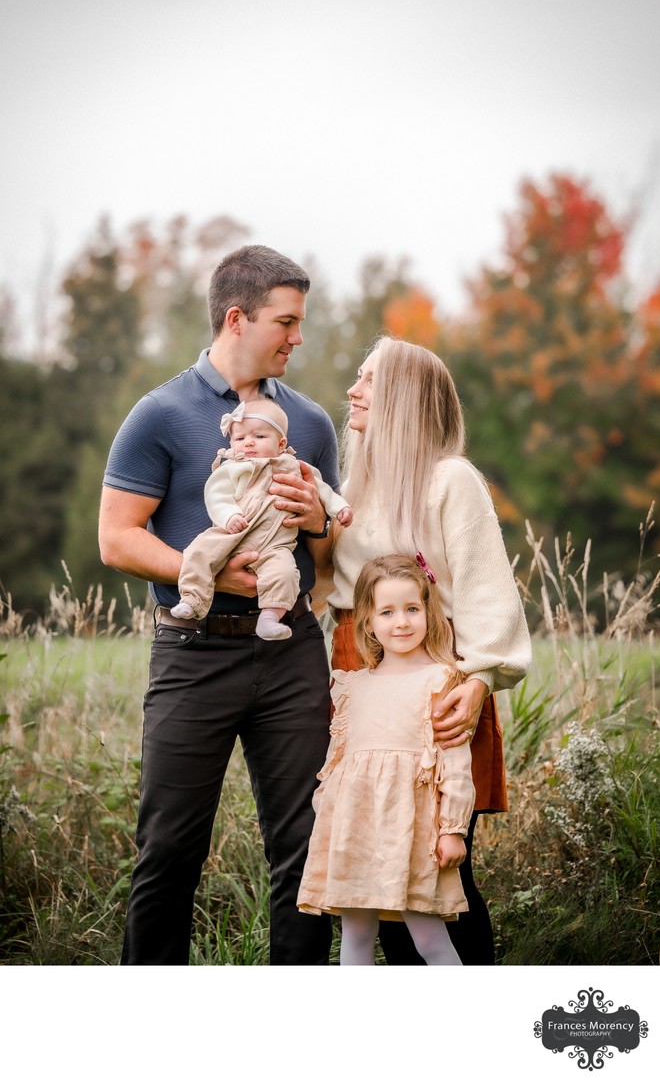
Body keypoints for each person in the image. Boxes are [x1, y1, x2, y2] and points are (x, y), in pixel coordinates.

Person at [98, 244, 342, 966]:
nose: (298, 337)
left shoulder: (312, 425)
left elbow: (324, 566)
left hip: (292, 650)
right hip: (193, 651)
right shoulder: (161, 413)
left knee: (304, 851)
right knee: (169, 848)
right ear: (237, 317)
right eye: (287, 322)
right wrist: (212, 575)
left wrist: (317, 520)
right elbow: (115, 538)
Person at [311, 334, 532, 965]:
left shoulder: (449, 479)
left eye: (368, 380)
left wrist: (479, 680)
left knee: (437, 871)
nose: (352, 390)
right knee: (376, 871)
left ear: (404, 398)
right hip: (363, 671)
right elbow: (330, 586)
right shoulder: (354, 485)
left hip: (436, 674)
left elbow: (487, 589)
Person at [298, 555, 476, 966]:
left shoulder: (442, 680)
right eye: (388, 611)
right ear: (368, 619)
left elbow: (455, 765)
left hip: (412, 834)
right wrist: (326, 822)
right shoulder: (352, 686)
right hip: (354, 831)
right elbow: (336, 765)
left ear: (429, 613)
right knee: (357, 934)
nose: (401, 622)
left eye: (412, 609)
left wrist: (453, 830)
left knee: (429, 938)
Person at [171, 397, 352, 639]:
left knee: (286, 573)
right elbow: (216, 495)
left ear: (281, 443)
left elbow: (322, 491)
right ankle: (192, 598)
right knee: (200, 550)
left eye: (259, 437)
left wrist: (339, 508)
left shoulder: (294, 468)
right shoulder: (232, 468)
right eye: (240, 438)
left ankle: (270, 618)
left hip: (275, 546)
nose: (248, 444)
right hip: (232, 534)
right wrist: (229, 515)